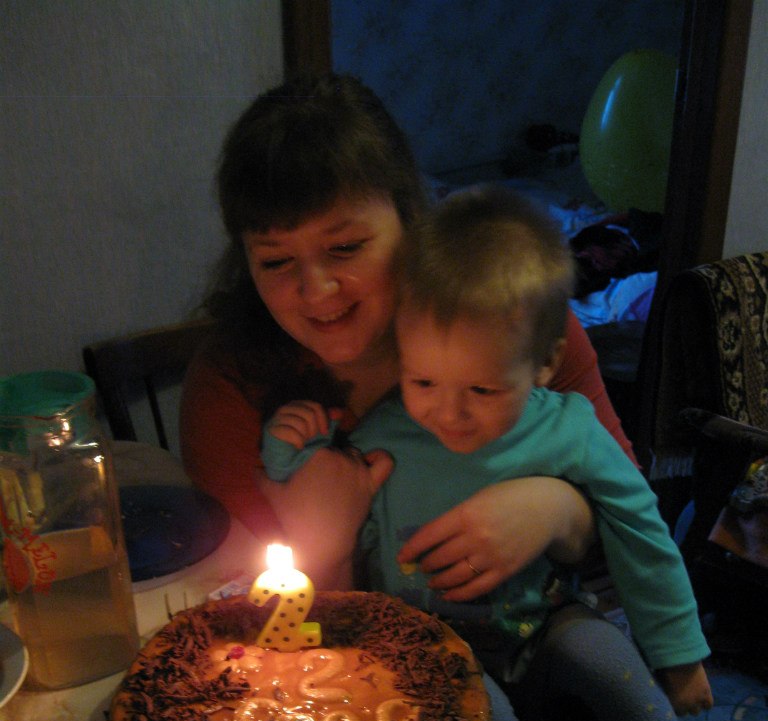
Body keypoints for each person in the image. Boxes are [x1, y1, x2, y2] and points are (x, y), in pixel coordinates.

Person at [262, 186, 723, 721]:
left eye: (482, 388)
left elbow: (641, 529)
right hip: (439, 654)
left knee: (601, 651)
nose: (447, 411)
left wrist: (679, 653)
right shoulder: (383, 433)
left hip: (545, 624)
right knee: (475, 712)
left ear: (544, 364)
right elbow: (324, 508)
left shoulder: (568, 429)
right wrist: (288, 452)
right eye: (423, 381)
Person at [180, 72, 636, 595]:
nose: (316, 290)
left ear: (410, 221)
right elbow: (255, 620)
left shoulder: (512, 322)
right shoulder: (229, 389)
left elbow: (633, 527)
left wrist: (558, 511)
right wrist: (324, 547)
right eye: (276, 261)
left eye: (345, 248)